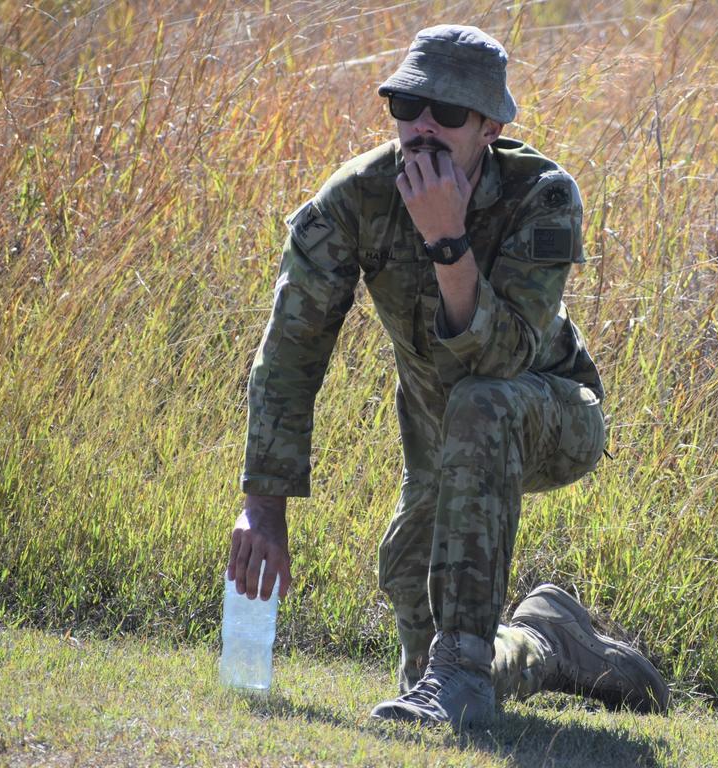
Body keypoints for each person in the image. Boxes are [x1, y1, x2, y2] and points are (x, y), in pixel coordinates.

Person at [227, 24, 668, 729]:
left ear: (489, 125)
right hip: (441, 435)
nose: (423, 126)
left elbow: (505, 361)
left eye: (449, 113)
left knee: (482, 403)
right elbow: (291, 348)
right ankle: (546, 643)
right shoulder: (359, 197)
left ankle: (460, 675)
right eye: (407, 106)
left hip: (549, 413)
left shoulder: (544, 197)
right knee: (410, 581)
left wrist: (446, 241)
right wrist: (263, 503)